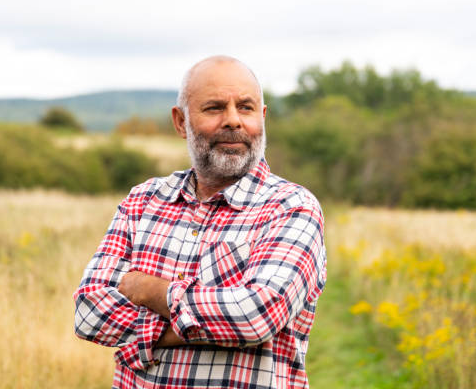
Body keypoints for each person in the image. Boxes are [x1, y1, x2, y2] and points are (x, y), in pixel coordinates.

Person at [73, 55, 327, 389]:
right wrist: (207, 321)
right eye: (214, 108)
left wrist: (153, 291)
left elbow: (254, 317)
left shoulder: (290, 207)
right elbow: (89, 314)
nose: (233, 121)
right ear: (181, 122)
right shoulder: (143, 200)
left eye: (246, 108)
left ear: (262, 118)